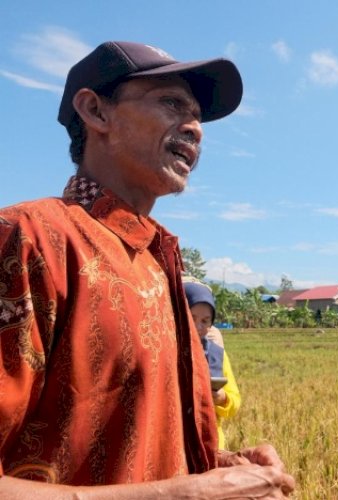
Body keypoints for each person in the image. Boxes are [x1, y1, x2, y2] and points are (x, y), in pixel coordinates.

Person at [0, 41, 294, 498]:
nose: (195, 128)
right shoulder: (27, 239)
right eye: (172, 103)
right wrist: (191, 494)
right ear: (95, 111)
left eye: (196, 115)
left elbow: (117, 442)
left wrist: (215, 467)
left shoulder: (159, 263)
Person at [184, 279, 242, 451]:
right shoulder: (162, 352)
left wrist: (223, 398)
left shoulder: (218, 355)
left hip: (209, 445)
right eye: (191, 318)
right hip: (175, 447)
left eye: (205, 321)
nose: (198, 326)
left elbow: (235, 402)